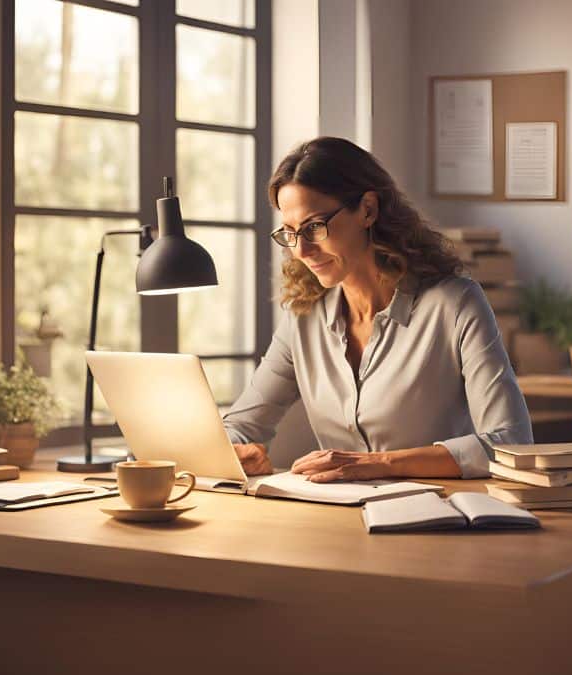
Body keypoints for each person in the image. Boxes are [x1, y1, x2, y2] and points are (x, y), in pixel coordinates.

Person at [223, 136, 532, 483]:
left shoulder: (455, 304)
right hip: (339, 521)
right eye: (291, 233)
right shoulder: (303, 318)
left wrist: (384, 463)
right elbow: (240, 427)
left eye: (313, 227)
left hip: (438, 519)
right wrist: (236, 451)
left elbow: (512, 443)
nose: (303, 251)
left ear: (368, 209)